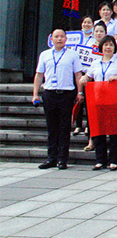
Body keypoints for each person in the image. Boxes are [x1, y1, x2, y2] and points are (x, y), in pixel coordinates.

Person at [33, 29, 85, 170]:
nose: (59, 39)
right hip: (49, 93)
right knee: (52, 127)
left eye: (62, 36)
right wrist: (35, 94)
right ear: (51, 39)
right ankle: (51, 158)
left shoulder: (72, 55)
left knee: (64, 127)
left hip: (66, 94)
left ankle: (62, 159)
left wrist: (80, 92)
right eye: (56, 37)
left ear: (66, 39)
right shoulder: (45, 55)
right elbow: (39, 75)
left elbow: (78, 75)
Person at [79, 35, 117, 171]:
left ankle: (114, 160)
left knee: (114, 132)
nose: (108, 47)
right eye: (106, 45)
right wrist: (84, 78)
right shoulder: (95, 63)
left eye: (111, 45)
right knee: (98, 131)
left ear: (114, 48)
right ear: (101, 47)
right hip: (97, 100)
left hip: (113, 101)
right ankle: (100, 160)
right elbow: (88, 76)